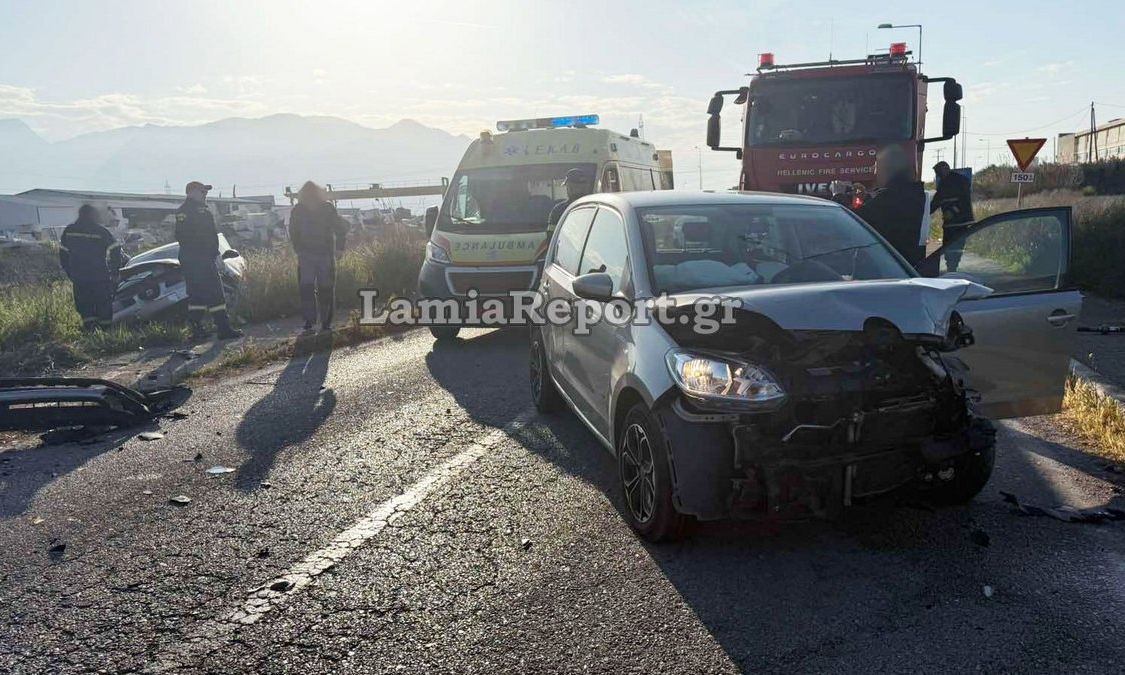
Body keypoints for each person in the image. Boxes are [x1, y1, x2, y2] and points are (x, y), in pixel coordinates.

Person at [175, 181, 243, 340]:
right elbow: (183, 236)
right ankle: (223, 329)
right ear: (191, 192)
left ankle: (197, 330)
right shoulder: (186, 211)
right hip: (199, 259)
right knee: (215, 293)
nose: (205, 195)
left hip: (199, 258)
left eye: (206, 192)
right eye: (202, 192)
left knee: (197, 296)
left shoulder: (201, 210)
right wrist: (206, 253)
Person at [289, 181, 348, 332]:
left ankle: (311, 322)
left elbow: (293, 232)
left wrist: (298, 249)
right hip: (321, 254)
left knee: (307, 289)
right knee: (324, 289)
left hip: (310, 255)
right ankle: (324, 323)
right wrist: (339, 248)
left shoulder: (299, 209)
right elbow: (340, 229)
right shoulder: (326, 207)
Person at [856, 146, 927, 268]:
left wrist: (838, 199)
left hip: (890, 264)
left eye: (877, 167)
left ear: (888, 170)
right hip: (905, 262)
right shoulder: (912, 193)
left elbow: (858, 219)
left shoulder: (893, 197)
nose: (875, 172)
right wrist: (866, 197)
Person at [59, 204, 127, 331]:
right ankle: (105, 332)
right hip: (99, 276)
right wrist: (115, 271)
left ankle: (90, 331)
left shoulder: (69, 231)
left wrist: (70, 272)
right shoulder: (100, 231)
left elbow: (63, 255)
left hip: (79, 277)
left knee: (85, 305)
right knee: (103, 304)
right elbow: (116, 248)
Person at [930, 161, 974, 272]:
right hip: (949, 223)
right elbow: (936, 201)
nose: (938, 175)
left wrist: (953, 211)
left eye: (938, 172)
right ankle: (951, 267)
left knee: (956, 245)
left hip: (961, 221)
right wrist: (926, 211)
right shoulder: (943, 184)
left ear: (945, 169)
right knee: (948, 245)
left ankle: (952, 266)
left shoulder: (960, 181)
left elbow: (964, 200)